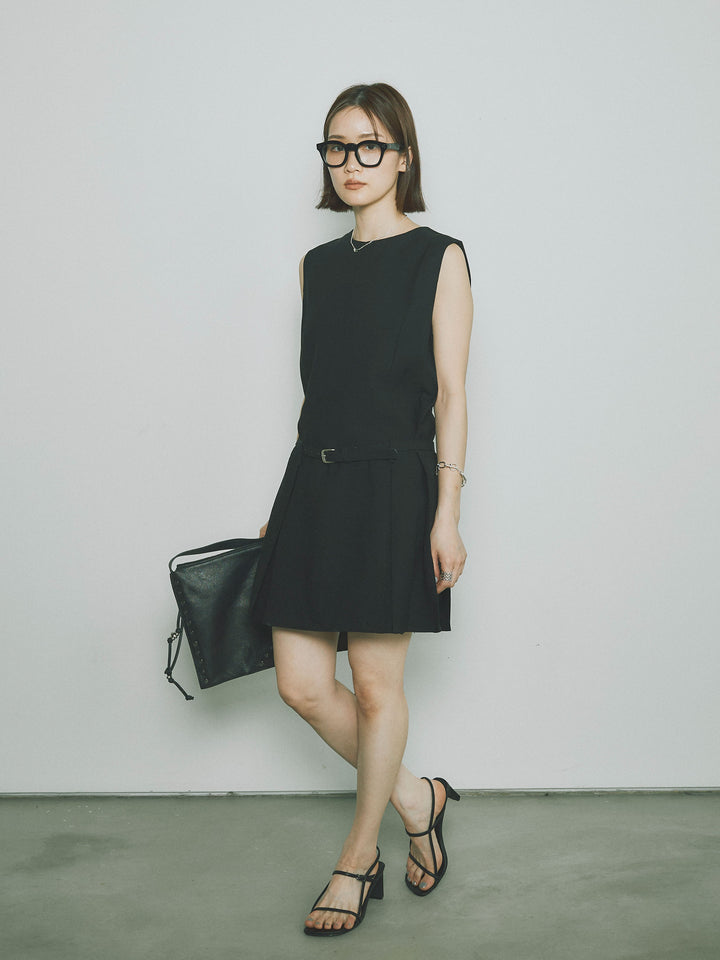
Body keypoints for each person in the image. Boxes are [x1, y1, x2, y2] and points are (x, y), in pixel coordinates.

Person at [250, 82, 473, 936]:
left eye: (371, 145)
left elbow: (452, 396)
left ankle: (357, 858)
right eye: (337, 146)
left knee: (378, 691)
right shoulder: (316, 266)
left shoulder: (439, 257)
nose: (352, 162)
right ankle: (419, 799)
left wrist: (447, 512)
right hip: (314, 485)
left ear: (403, 157)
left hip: (393, 489)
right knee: (301, 685)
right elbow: (320, 397)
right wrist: (284, 504)